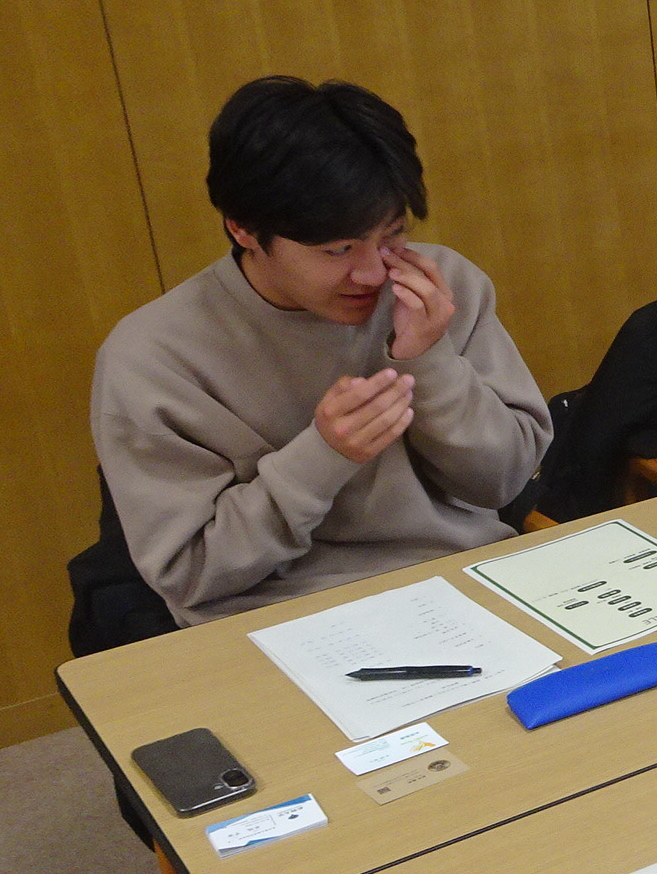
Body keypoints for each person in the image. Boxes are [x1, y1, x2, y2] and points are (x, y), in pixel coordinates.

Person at [91, 76, 550, 627]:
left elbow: (505, 482)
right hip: (277, 620)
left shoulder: (439, 289)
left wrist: (429, 362)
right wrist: (323, 456)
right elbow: (191, 572)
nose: (372, 272)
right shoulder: (153, 356)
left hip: (464, 582)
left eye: (391, 236)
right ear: (243, 229)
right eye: (336, 249)